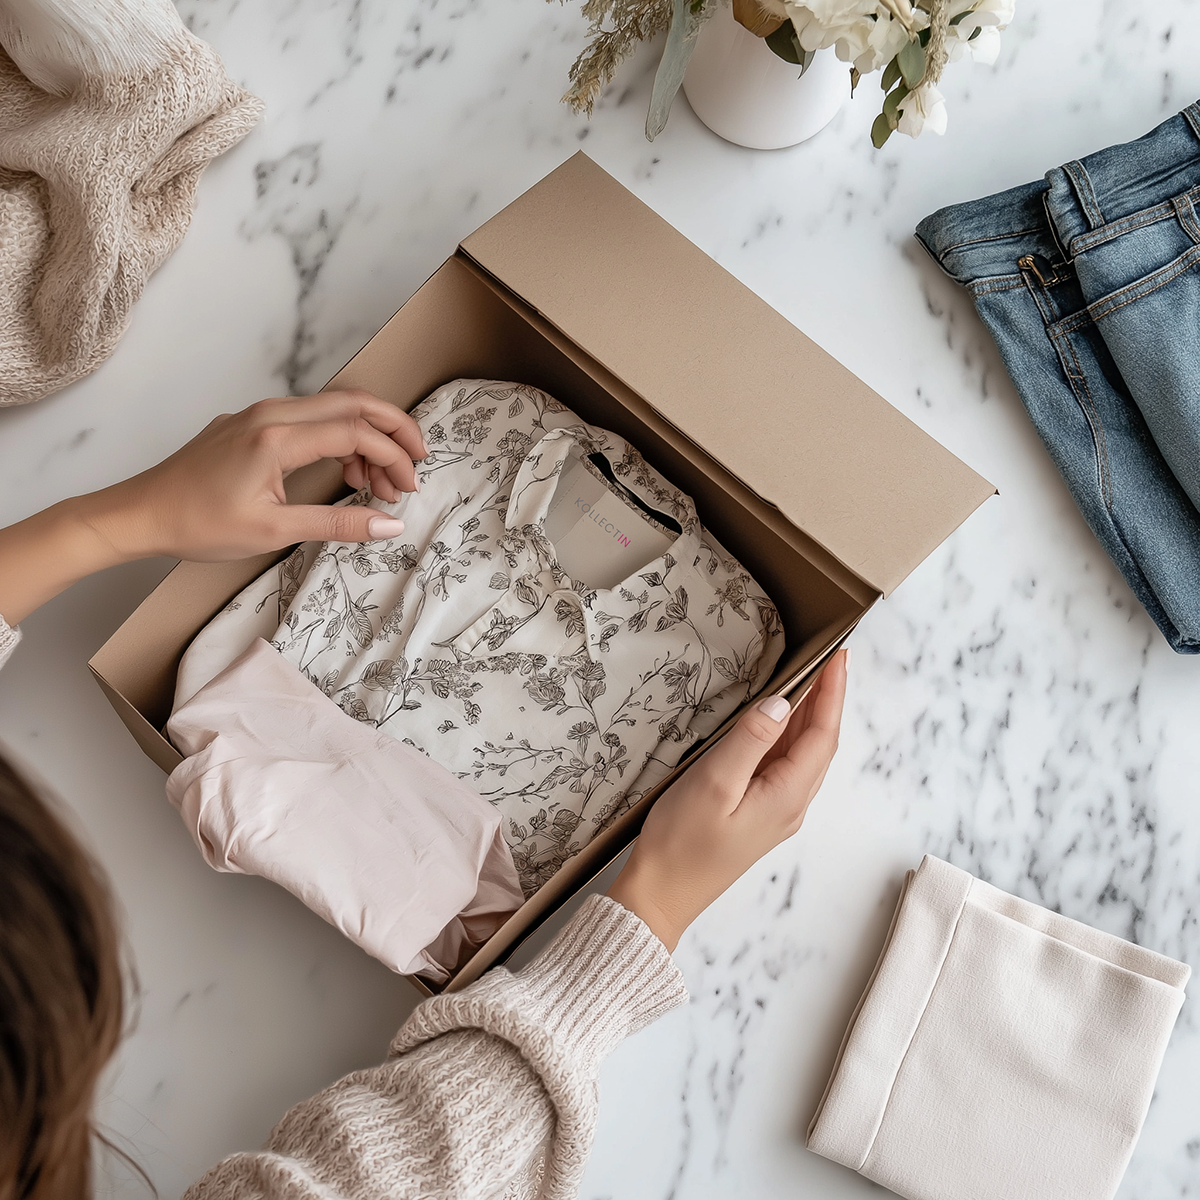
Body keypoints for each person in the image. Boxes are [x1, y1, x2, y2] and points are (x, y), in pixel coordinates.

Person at [0, 390, 848, 1200]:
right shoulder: (479, 431)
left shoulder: (722, 636)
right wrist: (654, 908)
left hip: (281, 760)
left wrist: (112, 519)